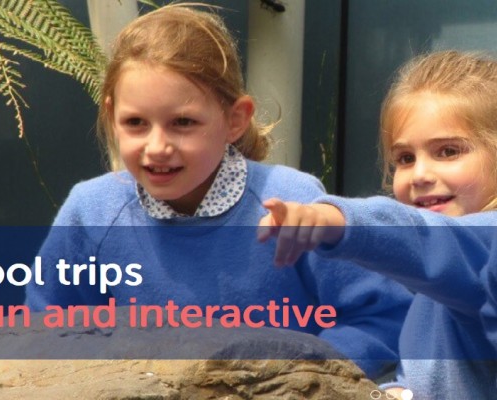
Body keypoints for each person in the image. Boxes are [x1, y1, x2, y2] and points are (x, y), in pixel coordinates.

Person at [25, 4, 411, 379]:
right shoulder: (91, 211)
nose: (157, 146)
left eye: (183, 122)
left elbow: (380, 316)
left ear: (235, 120)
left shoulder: (293, 204)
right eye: (136, 123)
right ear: (111, 117)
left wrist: (305, 375)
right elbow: (50, 330)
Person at [259, 50, 497, 399]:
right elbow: (421, 375)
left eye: (448, 151)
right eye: (404, 158)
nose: (420, 175)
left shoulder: (484, 244)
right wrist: (395, 390)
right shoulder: (430, 287)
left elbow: (429, 240)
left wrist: (338, 220)